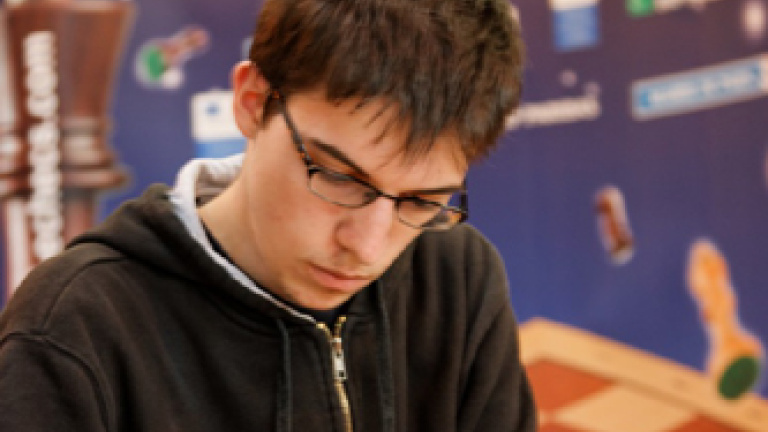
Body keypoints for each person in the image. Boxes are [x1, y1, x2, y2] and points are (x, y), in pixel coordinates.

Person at [0, 0, 535, 431]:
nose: (367, 248)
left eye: (420, 201)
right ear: (253, 102)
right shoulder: (75, 324)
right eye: (338, 177)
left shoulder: (458, 275)